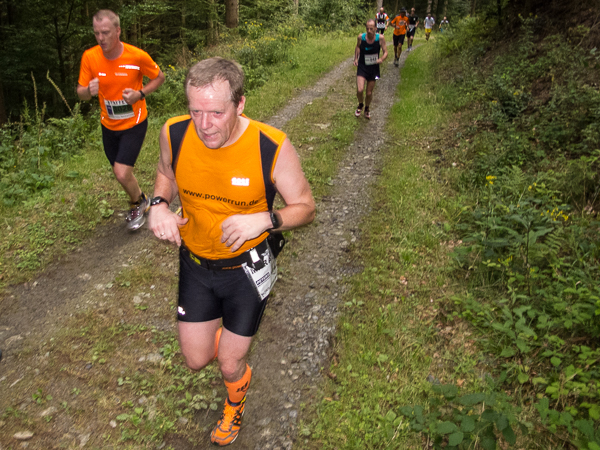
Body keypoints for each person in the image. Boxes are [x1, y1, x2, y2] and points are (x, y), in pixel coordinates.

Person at [148, 57, 315, 446]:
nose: (204, 125)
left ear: (240, 104)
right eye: (195, 112)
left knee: (228, 362)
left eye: (216, 113)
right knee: (195, 360)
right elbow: (165, 173)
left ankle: (234, 404)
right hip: (195, 264)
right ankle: (229, 338)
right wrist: (158, 204)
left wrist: (266, 220)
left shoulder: (270, 145)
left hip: (247, 269)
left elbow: (306, 207)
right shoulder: (174, 132)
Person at [77, 10, 165, 231]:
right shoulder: (90, 57)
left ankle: (137, 204)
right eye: (97, 33)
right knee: (121, 174)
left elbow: (159, 77)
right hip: (108, 125)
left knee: (121, 172)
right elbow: (81, 92)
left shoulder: (136, 56)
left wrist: (140, 94)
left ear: (118, 31)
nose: (101, 38)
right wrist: (88, 91)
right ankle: (141, 198)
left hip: (134, 123)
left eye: (105, 32)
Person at [354, 19, 388, 120]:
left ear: (375, 28)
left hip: (373, 67)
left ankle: (367, 108)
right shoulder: (361, 37)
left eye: (371, 29)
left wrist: (381, 59)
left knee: (369, 92)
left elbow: (385, 52)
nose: (369, 31)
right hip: (362, 66)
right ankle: (360, 104)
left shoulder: (380, 38)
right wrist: (356, 58)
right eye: (367, 29)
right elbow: (358, 47)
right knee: (360, 89)